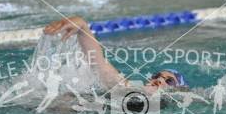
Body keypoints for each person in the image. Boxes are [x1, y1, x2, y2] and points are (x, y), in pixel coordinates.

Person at [43, 16, 187, 93]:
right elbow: (100, 65)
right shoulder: (128, 89)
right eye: (157, 76)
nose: (160, 80)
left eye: (169, 81)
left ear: (177, 90)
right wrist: (82, 26)